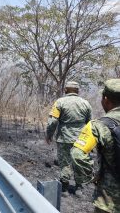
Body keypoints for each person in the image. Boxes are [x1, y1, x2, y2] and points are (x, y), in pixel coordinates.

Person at [71, 79, 120, 213]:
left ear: (106, 99)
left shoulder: (98, 125)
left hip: (109, 200)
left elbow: (77, 155)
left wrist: (90, 177)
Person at [45, 81, 92, 193]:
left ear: (66, 90)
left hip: (64, 138)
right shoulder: (86, 103)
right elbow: (90, 123)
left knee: (65, 162)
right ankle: (79, 187)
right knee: (79, 161)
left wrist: (49, 134)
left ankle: (64, 186)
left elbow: (53, 122)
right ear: (77, 91)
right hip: (82, 139)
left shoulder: (60, 102)